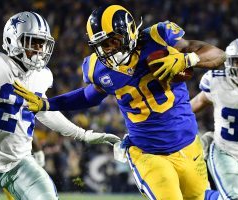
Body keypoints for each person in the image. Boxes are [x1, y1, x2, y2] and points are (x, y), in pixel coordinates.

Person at [13, 5, 226, 200]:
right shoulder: (98, 67)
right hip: (148, 153)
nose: (108, 50)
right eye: (102, 45)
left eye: (112, 41)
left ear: (129, 32)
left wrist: (188, 59)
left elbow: (219, 55)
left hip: (189, 145)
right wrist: (48, 104)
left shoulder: (158, 38)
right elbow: (89, 96)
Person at [0, 11, 120, 200]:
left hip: (19, 163)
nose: (39, 48)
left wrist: (84, 135)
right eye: (32, 41)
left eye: (42, 43)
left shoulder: (41, 76)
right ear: (13, 41)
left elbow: (43, 112)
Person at [190, 38, 238, 200]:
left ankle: (202, 197)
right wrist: (169, 120)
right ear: (229, 62)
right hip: (225, 150)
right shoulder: (216, 81)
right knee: (233, 198)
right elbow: (196, 103)